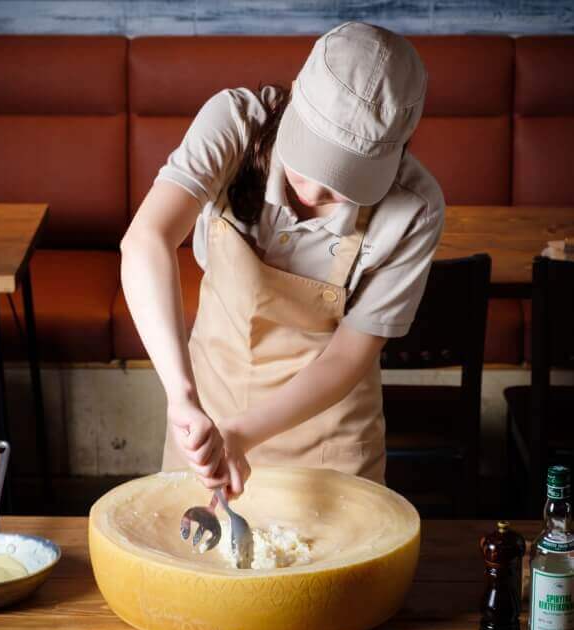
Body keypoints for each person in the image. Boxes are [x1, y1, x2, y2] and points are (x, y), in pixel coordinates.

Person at [120, 22, 445, 499]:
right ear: (294, 98)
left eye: (341, 183)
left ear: (395, 155)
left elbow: (346, 357)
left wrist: (243, 436)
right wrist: (184, 399)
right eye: (305, 161)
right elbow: (146, 240)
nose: (310, 193)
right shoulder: (235, 121)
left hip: (329, 439)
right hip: (206, 416)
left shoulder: (415, 208)